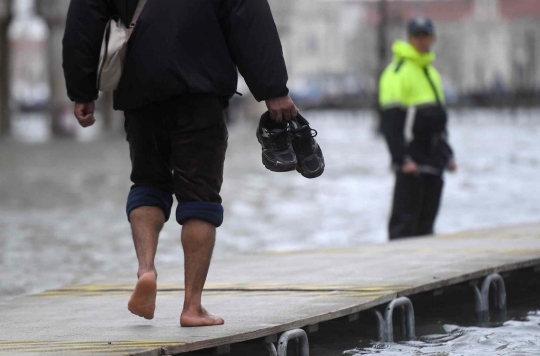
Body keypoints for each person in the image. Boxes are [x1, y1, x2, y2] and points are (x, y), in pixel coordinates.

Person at [62, 0, 298, 327]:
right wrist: (273, 90)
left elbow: (84, 18)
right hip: (200, 88)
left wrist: (81, 89)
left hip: (139, 88)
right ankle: (192, 307)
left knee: (147, 182)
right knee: (200, 196)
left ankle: (146, 268)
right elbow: (249, 16)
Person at [379, 17, 457, 240]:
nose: (422, 41)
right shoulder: (397, 71)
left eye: (426, 35)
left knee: (427, 226)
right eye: (417, 36)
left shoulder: (431, 72)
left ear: (433, 38)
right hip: (411, 161)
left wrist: (447, 153)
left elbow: (439, 120)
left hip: (434, 160)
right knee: (403, 226)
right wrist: (401, 158)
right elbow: (391, 122)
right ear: (410, 38)